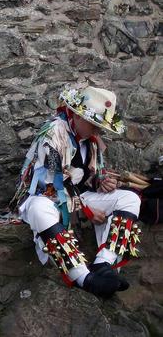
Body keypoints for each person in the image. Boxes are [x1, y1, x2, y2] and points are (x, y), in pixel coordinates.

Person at [10, 86, 141, 298]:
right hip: (47, 196)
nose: (98, 131)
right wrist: (85, 210)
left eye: (101, 127)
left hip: (77, 197)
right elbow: (56, 180)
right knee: (39, 209)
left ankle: (103, 264)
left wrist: (100, 181)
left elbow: (85, 177)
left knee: (130, 198)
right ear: (78, 116)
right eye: (95, 124)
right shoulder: (53, 132)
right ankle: (83, 278)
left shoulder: (90, 141)